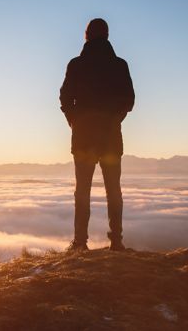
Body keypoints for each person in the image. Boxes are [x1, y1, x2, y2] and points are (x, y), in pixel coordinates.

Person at [59, 18, 135, 252]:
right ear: (107, 35)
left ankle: (80, 242)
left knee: (82, 190)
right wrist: (115, 120)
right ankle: (117, 242)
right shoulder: (119, 65)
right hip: (111, 138)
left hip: (83, 139)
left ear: (87, 35)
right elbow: (129, 100)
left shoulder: (76, 64)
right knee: (114, 190)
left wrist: (74, 121)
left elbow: (64, 98)